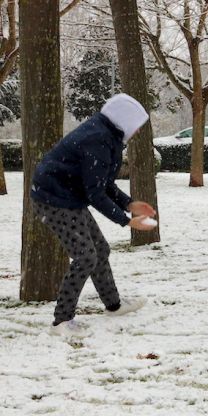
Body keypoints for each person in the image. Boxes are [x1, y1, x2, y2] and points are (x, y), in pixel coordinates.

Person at [31, 93, 156, 337]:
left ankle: (114, 305)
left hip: (67, 196)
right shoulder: (98, 140)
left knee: (100, 249)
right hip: (53, 199)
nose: (138, 131)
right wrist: (127, 220)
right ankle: (61, 322)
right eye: (138, 126)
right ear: (125, 121)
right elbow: (95, 194)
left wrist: (130, 204)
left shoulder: (108, 136)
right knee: (85, 256)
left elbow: (103, 183)